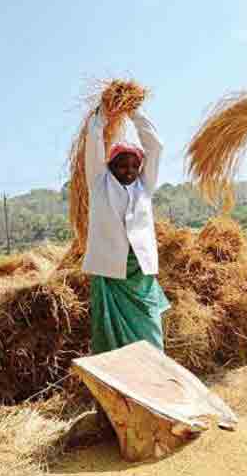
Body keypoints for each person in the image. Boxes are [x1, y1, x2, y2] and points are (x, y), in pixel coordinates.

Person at [81, 105, 170, 355]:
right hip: (109, 271)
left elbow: (156, 146)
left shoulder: (144, 186)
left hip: (140, 271)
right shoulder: (99, 183)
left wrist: (134, 113)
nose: (129, 171)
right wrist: (104, 112)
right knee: (110, 332)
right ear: (110, 165)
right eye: (121, 165)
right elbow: (94, 141)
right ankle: (119, 374)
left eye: (134, 166)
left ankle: (153, 370)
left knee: (150, 327)